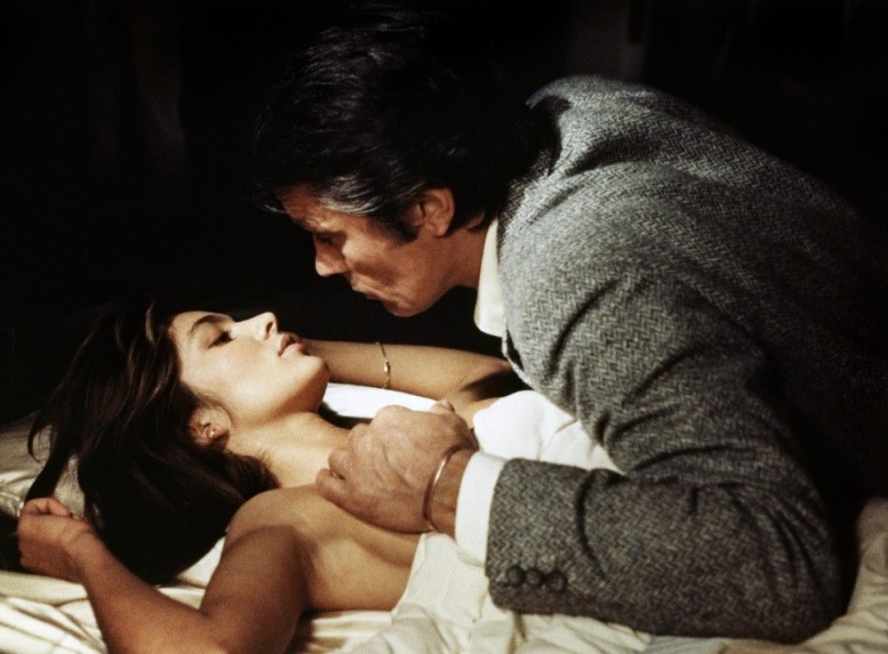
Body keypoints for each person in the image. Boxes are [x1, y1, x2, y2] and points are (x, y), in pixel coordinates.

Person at [247, 2, 888, 642]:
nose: (323, 266)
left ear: (428, 210)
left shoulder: (572, 278)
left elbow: (780, 563)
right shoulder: (573, 107)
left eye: (330, 235)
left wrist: (448, 487)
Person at [16, 296, 528, 652]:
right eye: (220, 338)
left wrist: (302, 347)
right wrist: (82, 554)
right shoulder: (284, 519)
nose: (265, 318)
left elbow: (490, 375)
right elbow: (210, 650)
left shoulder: (418, 430)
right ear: (200, 425)